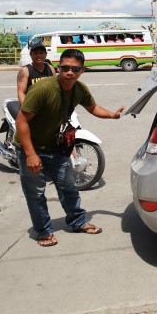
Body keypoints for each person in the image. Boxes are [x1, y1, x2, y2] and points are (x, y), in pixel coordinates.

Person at [15, 49, 126, 247]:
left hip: (56, 146)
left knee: (68, 187)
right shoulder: (43, 89)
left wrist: (112, 115)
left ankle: (77, 221)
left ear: (82, 70)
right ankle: (43, 231)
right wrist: (30, 154)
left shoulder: (79, 89)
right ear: (58, 68)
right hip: (31, 147)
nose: (69, 72)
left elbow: (93, 108)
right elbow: (21, 121)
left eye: (75, 69)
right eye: (65, 68)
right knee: (36, 193)